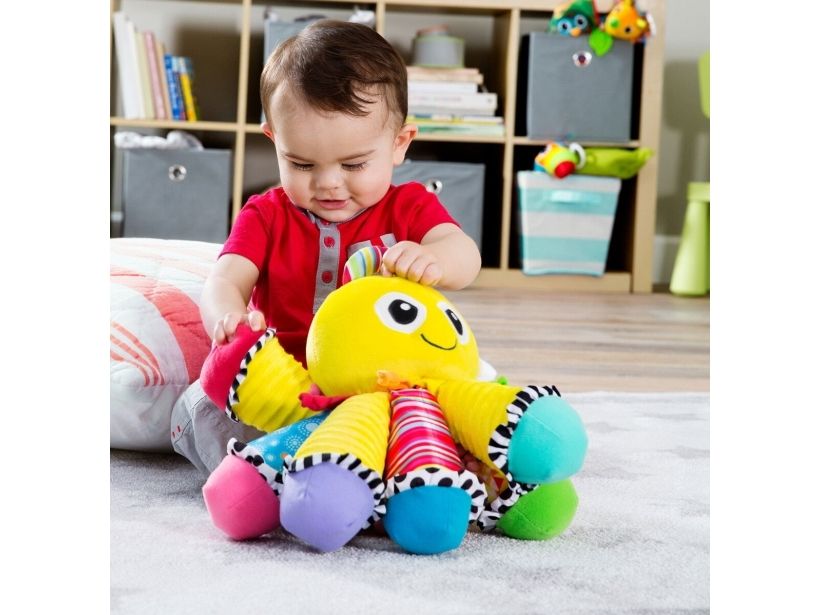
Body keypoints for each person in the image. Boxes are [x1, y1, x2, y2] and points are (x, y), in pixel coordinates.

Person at [171, 19, 482, 475]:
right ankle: (275, 471)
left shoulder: (410, 207)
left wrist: (435, 258)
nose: (329, 183)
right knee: (207, 408)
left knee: (455, 404)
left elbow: (465, 255)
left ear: (399, 144)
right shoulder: (266, 214)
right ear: (275, 141)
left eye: (354, 164)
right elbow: (225, 279)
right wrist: (229, 320)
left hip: (381, 385)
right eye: (301, 164)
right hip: (282, 385)